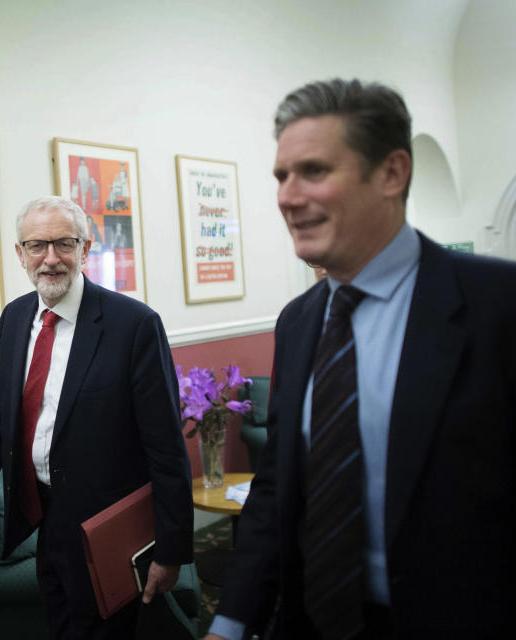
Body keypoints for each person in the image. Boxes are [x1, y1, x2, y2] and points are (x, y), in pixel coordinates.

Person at [206, 78, 516, 640]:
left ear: (392, 173)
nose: (288, 196)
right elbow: (276, 488)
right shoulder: (298, 322)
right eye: (281, 176)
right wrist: (229, 624)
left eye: (315, 172)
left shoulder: (499, 306)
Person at [0, 196, 194, 638]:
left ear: (86, 248)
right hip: (42, 518)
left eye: (64, 244)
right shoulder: (16, 319)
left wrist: (170, 549)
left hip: (108, 528)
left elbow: (166, 446)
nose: (51, 258)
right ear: (20, 254)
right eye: (37, 245)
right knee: (60, 624)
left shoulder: (133, 325)